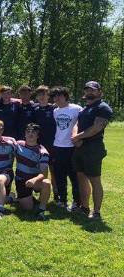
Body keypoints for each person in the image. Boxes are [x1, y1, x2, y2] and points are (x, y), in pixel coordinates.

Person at [71, 81, 113, 219]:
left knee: (95, 180)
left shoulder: (103, 107)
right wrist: (75, 138)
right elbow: (77, 123)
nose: (89, 92)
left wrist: (78, 137)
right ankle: (84, 207)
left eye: (93, 90)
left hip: (93, 148)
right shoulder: (85, 108)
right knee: (81, 178)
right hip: (80, 147)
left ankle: (96, 212)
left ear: (100, 92)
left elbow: (96, 128)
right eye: (87, 90)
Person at [51, 86, 82, 209]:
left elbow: (82, 124)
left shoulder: (76, 109)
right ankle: (62, 200)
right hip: (58, 146)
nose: (57, 98)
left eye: (60, 95)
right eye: (55, 96)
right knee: (59, 175)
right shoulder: (55, 111)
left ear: (66, 96)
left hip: (72, 147)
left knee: (74, 176)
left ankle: (76, 202)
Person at [15, 123, 51, 220]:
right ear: (25, 134)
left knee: (46, 183)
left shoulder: (43, 152)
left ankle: (42, 209)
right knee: (27, 208)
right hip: (21, 180)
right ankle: (25, 198)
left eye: (33, 132)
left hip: (35, 180)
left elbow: (44, 174)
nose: (30, 134)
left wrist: (34, 180)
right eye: (28, 131)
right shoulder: (18, 144)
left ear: (38, 135)